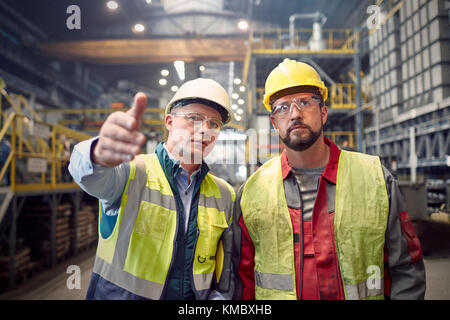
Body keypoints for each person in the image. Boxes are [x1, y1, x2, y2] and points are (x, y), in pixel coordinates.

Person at [232, 59, 426, 300]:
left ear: (323, 113)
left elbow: (406, 269)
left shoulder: (375, 179)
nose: (294, 114)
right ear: (274, 123)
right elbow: (242, 280)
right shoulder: (252, 191)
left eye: (305, 102)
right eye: (282, 107)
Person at [69, 78, 235, 300]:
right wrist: (98, 155)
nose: (205, 130)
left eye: (214, 124)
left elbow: (222, 268)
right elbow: (89, 176)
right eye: (194, 118)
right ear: (169, 121)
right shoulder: (132, 172)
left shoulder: (224, 194)